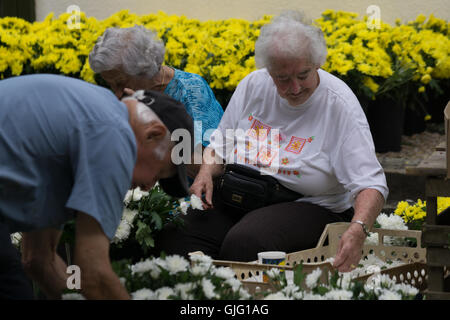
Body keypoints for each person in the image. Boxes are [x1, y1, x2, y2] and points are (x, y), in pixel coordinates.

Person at [156, 10, 389, 273]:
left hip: (309, 204)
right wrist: (206, 172)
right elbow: (221, 145)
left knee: (247, 243)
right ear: (269, 71)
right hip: (244, 192)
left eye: (303, 75)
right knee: (175, 236)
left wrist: (358, 229)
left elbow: (371, 183)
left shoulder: (338, 104)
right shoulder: (253, 85)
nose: (295, 87)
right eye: (283, 78)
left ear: (318, 63)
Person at [0, 74, 194, 299]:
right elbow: (95, 276)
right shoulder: (114, 134)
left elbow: (40, 260)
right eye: (159, 173)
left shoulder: (91, 115)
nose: (149, 187)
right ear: (153, 133)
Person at [89, 25, 224, 175]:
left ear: (143, 70)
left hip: (189, 194)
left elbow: (210, 165)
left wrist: (156, 128)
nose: (117, 94)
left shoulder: (191, 90)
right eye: (110, 85)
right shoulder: (129, 96)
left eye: (121, 83)